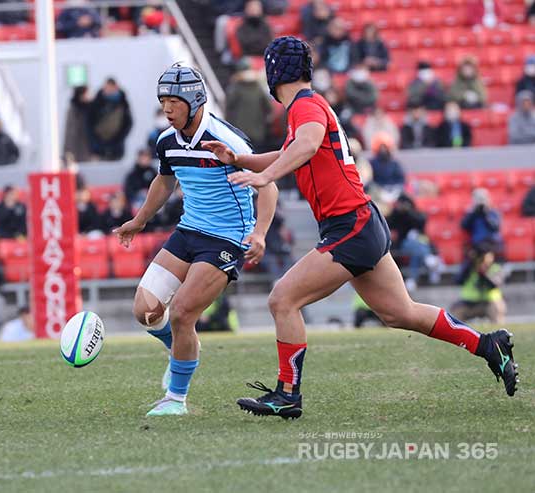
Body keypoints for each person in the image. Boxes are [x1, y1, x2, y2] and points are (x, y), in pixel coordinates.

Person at [204, 36, 517, 420]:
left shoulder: (304, 106)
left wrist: (264, 175)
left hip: (350, 226)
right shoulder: (308, 106)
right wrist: (241, 159)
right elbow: (296, 150)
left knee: (282, 299)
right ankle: (489, 345)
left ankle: (287, 393)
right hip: (362, 222)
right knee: (400, 313)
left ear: (273, 73)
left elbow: (305, 146)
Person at [114, 64, 279, 416]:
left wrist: (260, 233)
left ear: (194, 99)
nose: (167, 109)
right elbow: (164, 180)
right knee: (145, 311)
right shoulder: (166, 141)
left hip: (227, 237)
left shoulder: (227, 140)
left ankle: (176, 400)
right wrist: (139, 220)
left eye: (174, 101)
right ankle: (179, 350)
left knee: (184, 312)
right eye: (163, 102)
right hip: (189, 230)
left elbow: (269, 184)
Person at [385, 194, 442, 291]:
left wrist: (408, 212)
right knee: (414, 245)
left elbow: (421, 224)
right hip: (403, 244)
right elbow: (388, 223)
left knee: (417, 251)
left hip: (420, 243)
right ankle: (428, 259)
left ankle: (413, 279)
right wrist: (398, 211)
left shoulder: (414, 214)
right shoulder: (396, 215)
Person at [450, 243, 506, 325]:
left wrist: (484, 274)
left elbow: (495, 285)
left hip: (489, 303)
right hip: (469, 304)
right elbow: (457, 280)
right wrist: (469, 263)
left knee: (497, 307)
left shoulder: (495, 268)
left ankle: (499, 334)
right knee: (456, 312)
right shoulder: (469, 268)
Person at [225, 59, 273, 151]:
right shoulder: (258, 86)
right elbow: (268, 107)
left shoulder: (235, 87)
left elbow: (229, 107)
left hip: (238, 132)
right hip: (258, 131)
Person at [88, 78, 133, 161]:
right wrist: (95, 143)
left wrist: (119, 140)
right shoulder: (96, 103)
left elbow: (128, 123)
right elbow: (89, 124)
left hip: (117, 147)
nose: (107, 90)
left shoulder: (123, 103)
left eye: (109, 88)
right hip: (99, 147)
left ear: (115, 87)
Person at [62, 85, 92, 163]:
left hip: (89, 149)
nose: (89, 96)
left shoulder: (91, 107)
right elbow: (70, 132)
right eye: (87, 94)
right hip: (78, 149)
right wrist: (68, 151)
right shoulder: (74, 110)